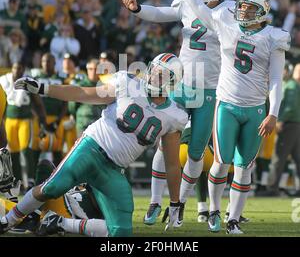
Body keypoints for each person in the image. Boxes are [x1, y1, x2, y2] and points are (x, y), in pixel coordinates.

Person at [0, 53, 188, 237]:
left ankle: (61, 223)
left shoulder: (174, 115)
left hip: (114, 170)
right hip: (91, 147)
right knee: (52, 187)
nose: (154, 76)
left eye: (161, 74)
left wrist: (174, 202)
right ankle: (7, 220)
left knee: (122, 232)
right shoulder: (127, 82)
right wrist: (44, 88)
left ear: (172, 82)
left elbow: (171, 164)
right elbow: (83, 93)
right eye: (154, 70)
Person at [170, 0, 290, 234]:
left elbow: (276, 79)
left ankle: (233, 219)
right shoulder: (226, 23)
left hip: (255, 108)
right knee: (221, 162)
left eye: (249, 9)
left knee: (244, 166)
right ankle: (212, 210)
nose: (242, 11)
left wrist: (273, 113)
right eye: (243, 7)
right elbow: (198, 7)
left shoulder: (273, 38)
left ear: (262, 13)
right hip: (227, 103)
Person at [123, 0, 232, 226]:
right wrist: (138, 10)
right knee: (165, 141)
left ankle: (180, 203)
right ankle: (154, 201)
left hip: (210, 88)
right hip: (182, 85)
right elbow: (162, 13)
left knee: (196, 152)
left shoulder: (228, 10)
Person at [267, 62, 300, 196]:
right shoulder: (294, 86)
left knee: (278, 157)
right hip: (296, 125)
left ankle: (272, 189)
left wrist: (280, 120)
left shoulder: (291, 86)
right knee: (298, 158)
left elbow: (289, 108)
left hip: (288, 125)